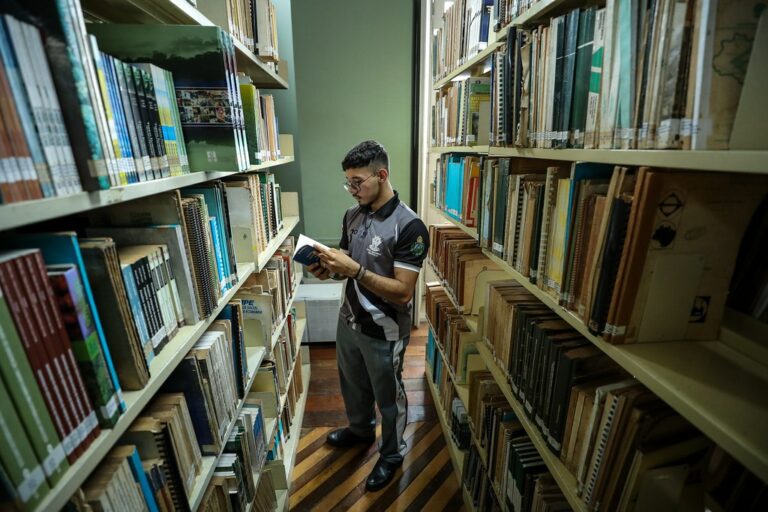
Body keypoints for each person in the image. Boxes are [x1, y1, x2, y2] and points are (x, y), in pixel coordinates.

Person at [307, 140, 430, 492]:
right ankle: (360, 431)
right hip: (349, 319)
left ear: (382, 175)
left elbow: (403, 291)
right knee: (353, 385)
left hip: (384, 329)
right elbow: (345, 267)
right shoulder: (352, 214)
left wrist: (356, 271)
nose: (352, 189)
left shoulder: (410, 226)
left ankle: (391, 454)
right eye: (348, 182)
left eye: (358, 182)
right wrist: (327, 270)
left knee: (389, 398)